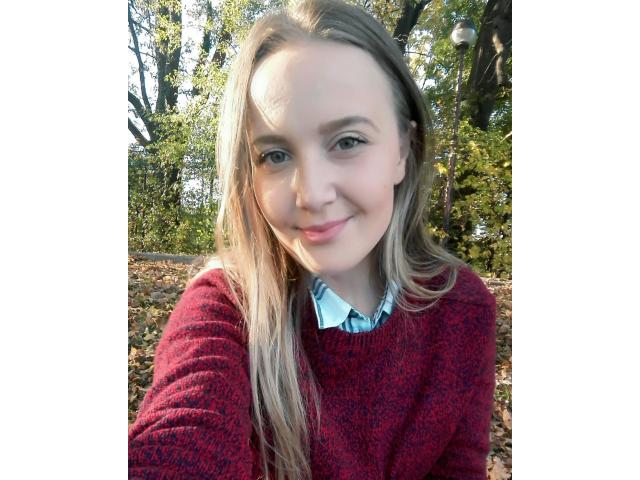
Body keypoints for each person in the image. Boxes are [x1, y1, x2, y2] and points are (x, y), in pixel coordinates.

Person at [128, 0, 496, 478]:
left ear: (402, 152)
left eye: (348, 142)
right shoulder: (228, 311)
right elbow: (183, 434)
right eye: (275, 155)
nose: (312, 194)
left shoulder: (462, 309)